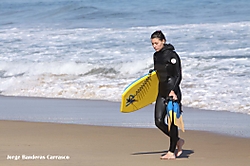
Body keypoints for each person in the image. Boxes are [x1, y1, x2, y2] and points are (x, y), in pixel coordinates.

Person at [150, 30, 185, 160]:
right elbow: (158, 73)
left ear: (163, 41)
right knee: (158, 121)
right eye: (152, 44)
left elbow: (178, 75)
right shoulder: (156, 56)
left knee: (172, 123)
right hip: (161, 92)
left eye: (156, 43)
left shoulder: (172, 55)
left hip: (172, 92)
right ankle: (178, 141)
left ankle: (171, 151)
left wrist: (173, 90)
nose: (154, 46)